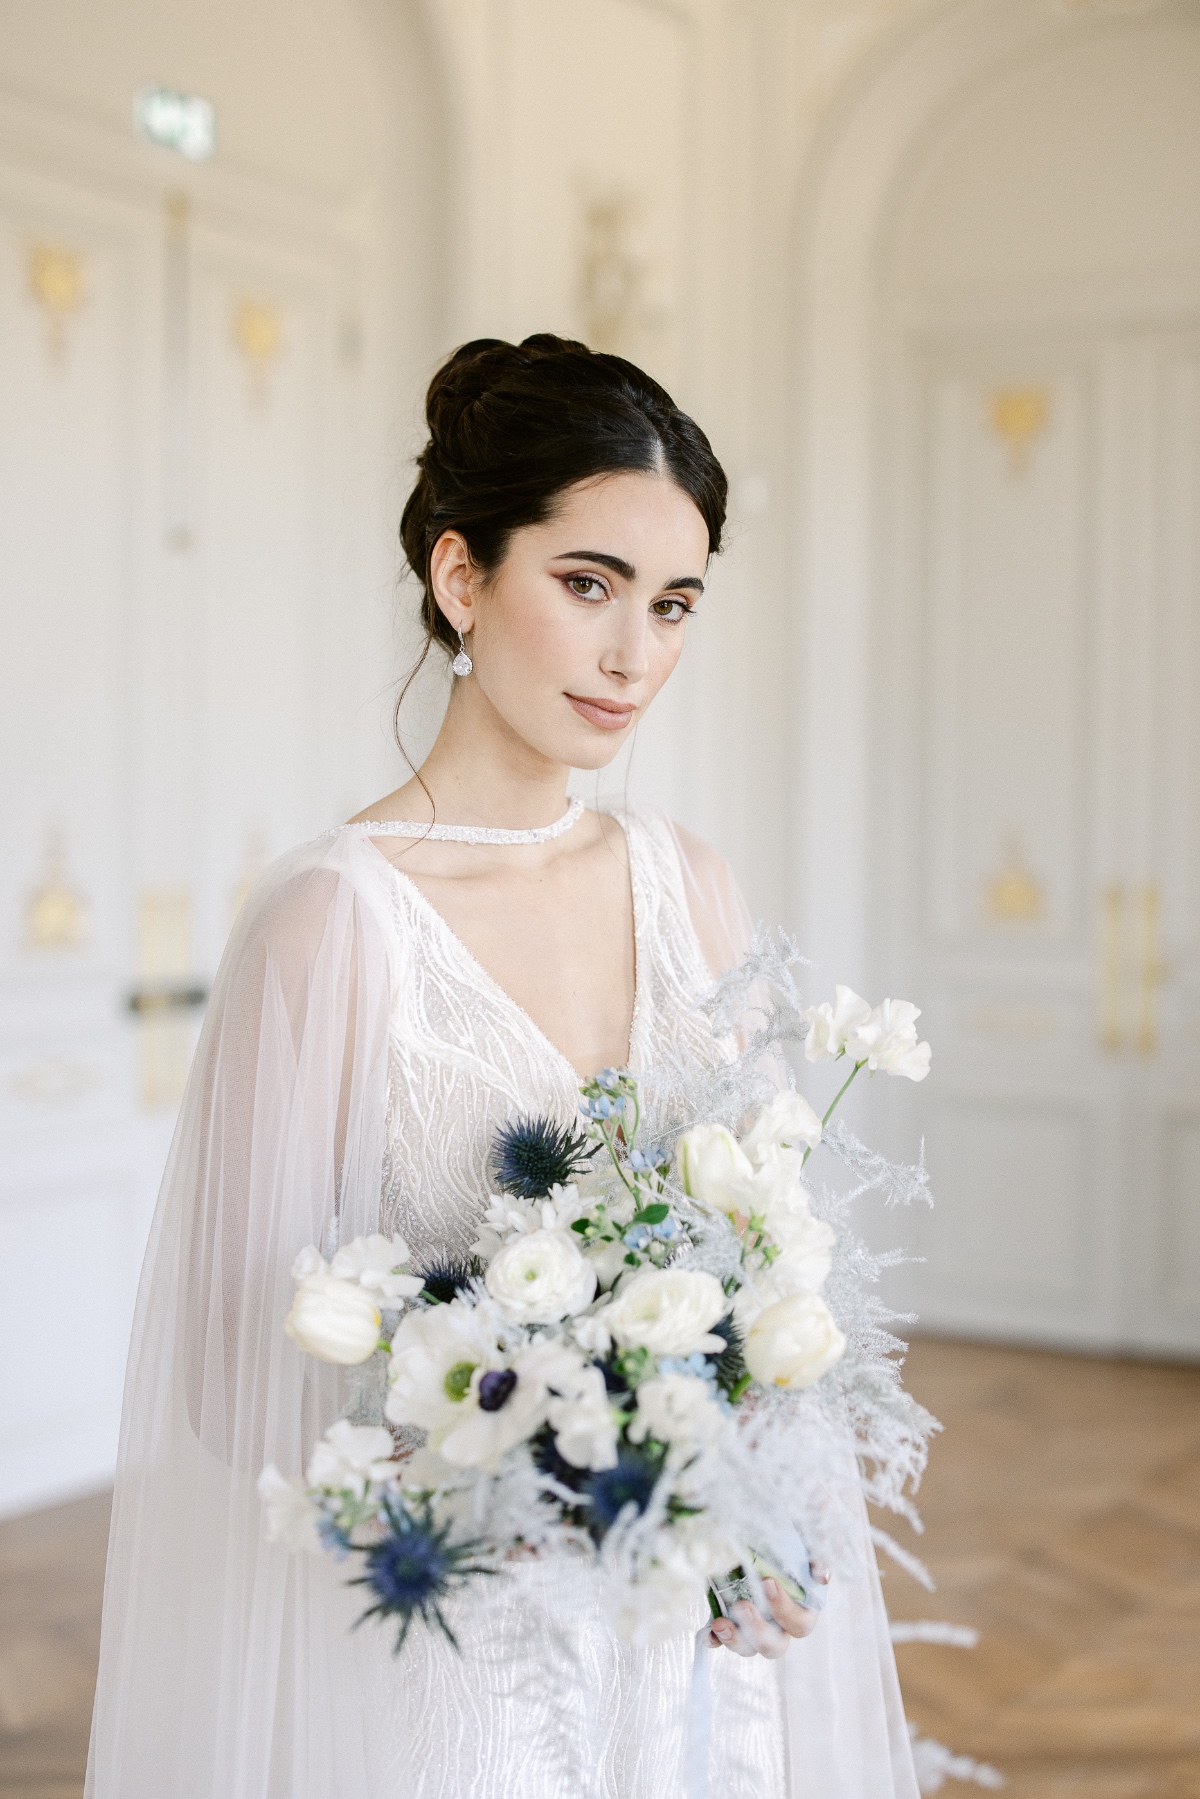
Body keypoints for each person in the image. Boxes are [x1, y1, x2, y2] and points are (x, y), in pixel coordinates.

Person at [86, 335, 918, 1797]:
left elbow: (772, 1266)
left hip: (694, 1645)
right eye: (587, 585)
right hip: (467, 1657)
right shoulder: (335, 923)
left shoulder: (691, 885)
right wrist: (538, 1439)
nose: (633, 655)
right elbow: (231, 1382)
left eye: (674, 605)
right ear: (461, 578)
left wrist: (745, 1501)